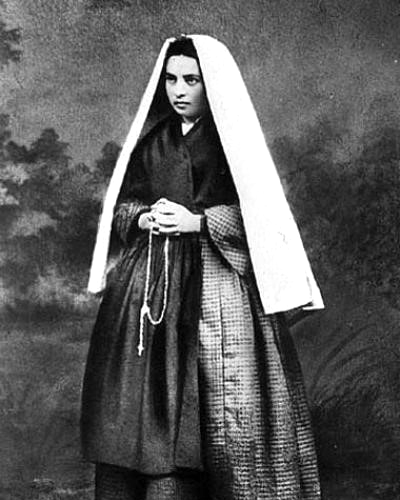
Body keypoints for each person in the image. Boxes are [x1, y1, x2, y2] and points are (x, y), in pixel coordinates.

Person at [81, 34, 324, 500]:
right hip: (152, 283)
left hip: (216, 280)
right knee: (147, 397)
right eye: (172, 79)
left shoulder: (231, 141)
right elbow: (123, 205)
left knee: (222, 394)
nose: (179, 90)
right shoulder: (153, 143)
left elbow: (261, 216)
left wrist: (198, 222)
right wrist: (143, 217)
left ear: (211, 84)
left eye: (191, 80)